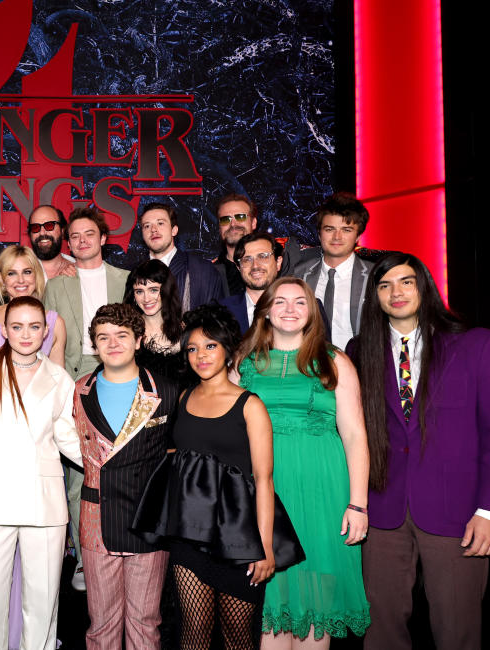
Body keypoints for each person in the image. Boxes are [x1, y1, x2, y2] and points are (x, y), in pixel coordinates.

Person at [134, 304, 305, 649]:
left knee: (237, 638)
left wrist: (265, 546)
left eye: (210, 346)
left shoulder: (250, 405)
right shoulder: (183, 399)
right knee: (192, 634)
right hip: (189, 536)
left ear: (227, 349)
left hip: (239, 540)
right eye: (193, 348)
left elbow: (264, 480)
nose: (201, 355)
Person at [347, 253, 490, 649]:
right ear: (374, 296)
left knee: (458, 628)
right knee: (380, 630)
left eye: (406, 282)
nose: (396, 292)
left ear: (424, 286)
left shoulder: (474, 344)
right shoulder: (360, 352)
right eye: (384, 285)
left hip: (459, 513)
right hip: (382, 510)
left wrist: (487, 510)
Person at [235, 277, 370, 647]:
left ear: (311, 311)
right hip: (264, 492)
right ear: (265, 311)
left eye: (300, 302)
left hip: (322, 491)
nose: (290, 309)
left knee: (316, 603)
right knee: (271, 604)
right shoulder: (243, 362)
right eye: (280, 302)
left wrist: (358, 504)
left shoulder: (334, 360)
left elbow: (356, 435)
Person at [0, 296, 83, 650]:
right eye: (17, 326)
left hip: (44, 503)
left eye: (34, 327)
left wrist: (109, 466)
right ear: (3, 330)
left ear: (46, 331)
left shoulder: (60, 378)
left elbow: (67, 437)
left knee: (43, 600)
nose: (25, 334)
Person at [74, 303, 179, 649]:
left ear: (139, 340)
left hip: (147, 519)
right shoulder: (79, 391)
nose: (113, 343)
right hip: (96, 518)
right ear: (94, 344)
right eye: (103, 337)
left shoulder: (166, 391)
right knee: (100, 624)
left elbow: (178, 456)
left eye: (122, 335)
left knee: (145, 623)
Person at [44, 207, 128, 590]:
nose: (80, 241)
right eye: (74, 236)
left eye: (88, 234)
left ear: (103, 238)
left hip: (120, 377)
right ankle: (83, 559)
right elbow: (50, 340)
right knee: (79, 473)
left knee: (122, 468)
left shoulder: (125, 279)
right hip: (75, 380)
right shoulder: (57, 285)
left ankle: (123, 548)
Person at [294, 192, 373, 350]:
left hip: (361, 367)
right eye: (330, 229)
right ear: (319, 233)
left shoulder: (375, 276)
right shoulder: (299, 275)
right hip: (310, 366)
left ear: (358, 236)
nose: (337, 237)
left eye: (346, 230)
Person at [0, 245, 66, 367]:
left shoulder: (55, 323)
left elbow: (59, 380)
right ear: (2, 280)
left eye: (27, 272)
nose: (21, 280)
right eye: (11, 273)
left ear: (36, 276)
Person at [138, 201, 223, 310]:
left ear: (174, 230)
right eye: (147, 226)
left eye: (160, 223)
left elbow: (216, 318)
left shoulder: (203, 270)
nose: (153, 230)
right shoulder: (132, 273)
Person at [124, 259, 186, 383]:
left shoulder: (187, 329)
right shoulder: (127, 332)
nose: (146, 298)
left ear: (166, 290)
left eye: (153, 290)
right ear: (134, 296)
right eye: (139, 291)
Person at [214, 193, 259, 295]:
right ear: (220, 228)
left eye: (241, 217)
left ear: (253, 223)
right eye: (225, 219)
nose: (233, 224)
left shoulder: (273, 265)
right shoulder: (209, 275)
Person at [26, 204, 76, 280]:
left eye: (49, 225)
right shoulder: (18, 270)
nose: (42, 233)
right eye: (35, 227)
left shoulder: (77, 269)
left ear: (62, 231)